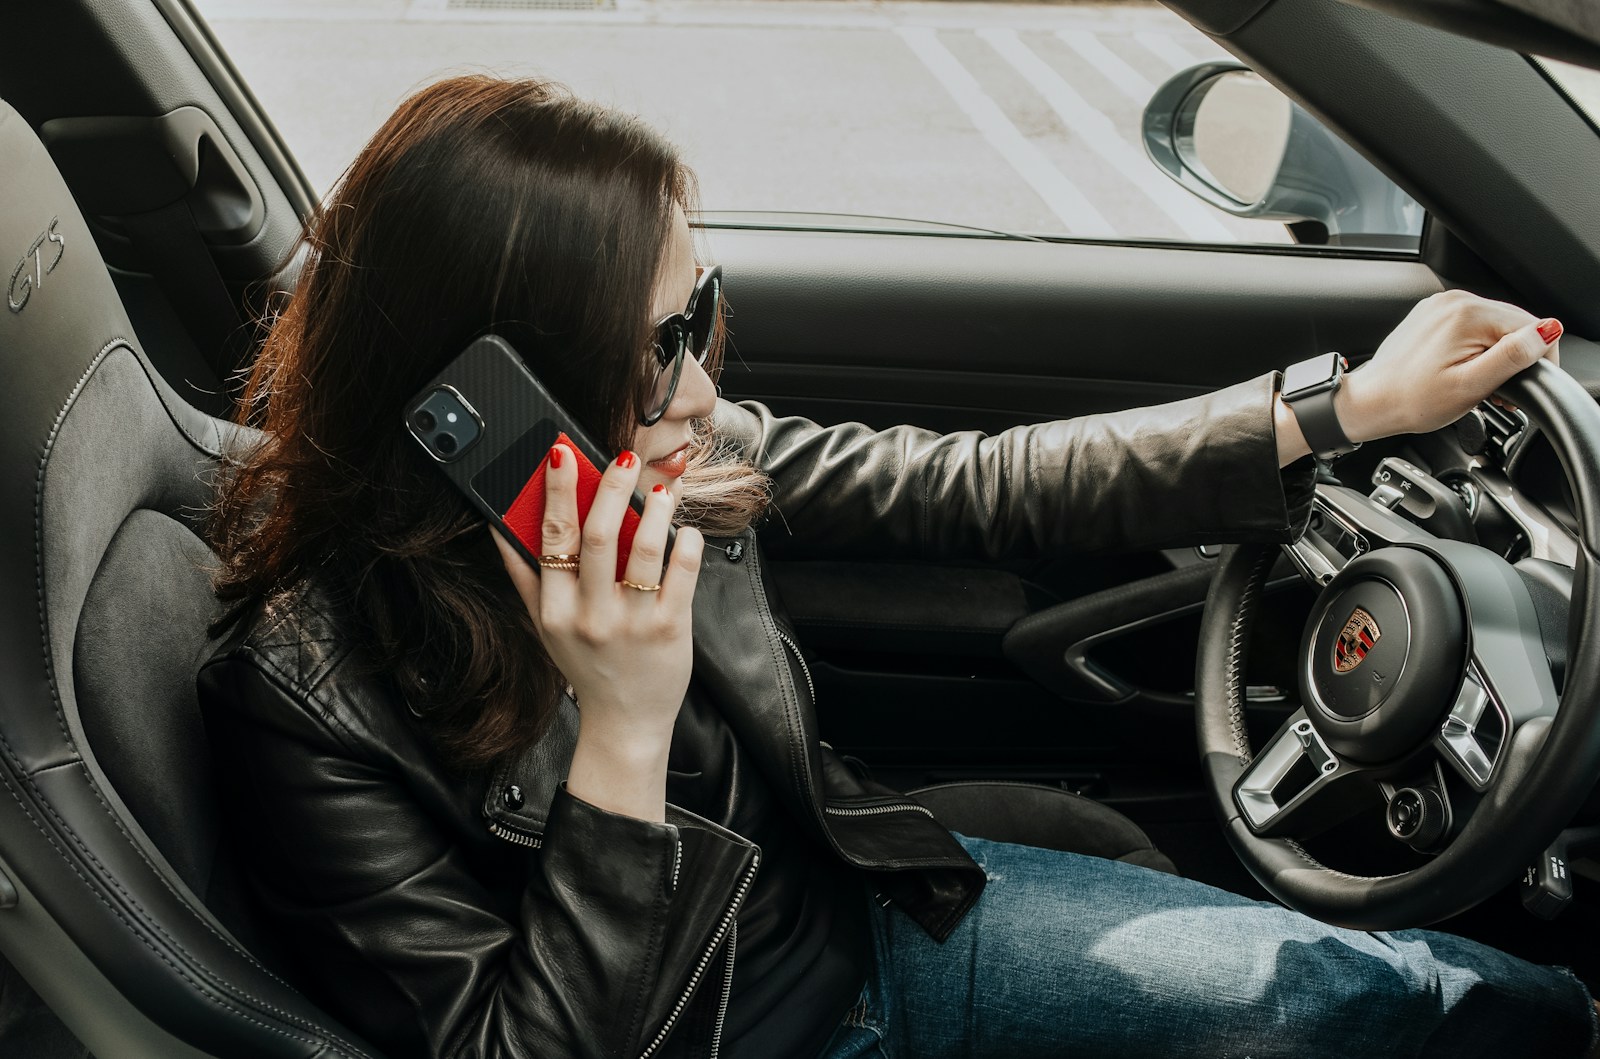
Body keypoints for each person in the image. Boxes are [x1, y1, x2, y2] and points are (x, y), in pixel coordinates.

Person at [198, 74, 1593, 1059]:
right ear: (496, 388)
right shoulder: (304, 697)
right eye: (652, 350)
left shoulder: (665, 468)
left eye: (700, 314)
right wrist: (620, 732)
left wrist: (1341, 410)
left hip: (869, 931)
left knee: (1354, 995)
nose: (696, 393)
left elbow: (973, 483)